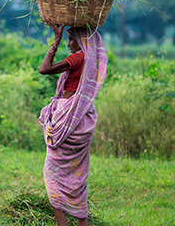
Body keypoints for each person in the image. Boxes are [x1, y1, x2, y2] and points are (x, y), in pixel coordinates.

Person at [38, 24, 107, 226]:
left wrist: (55, 41)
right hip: (82, 118)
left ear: (82, 41)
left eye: (71, 39)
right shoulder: (91, 61)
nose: (69, 44)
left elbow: (44, 69)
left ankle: (62, 223)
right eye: (67, 40)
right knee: (77, 177)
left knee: (52, 176)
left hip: (68, 118)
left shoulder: (78, 57)